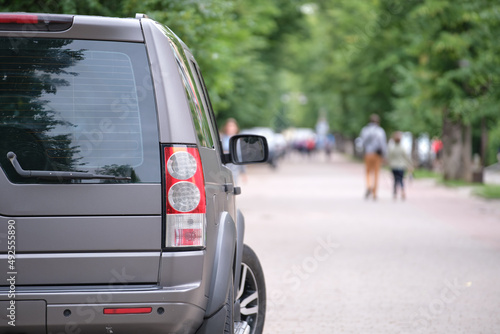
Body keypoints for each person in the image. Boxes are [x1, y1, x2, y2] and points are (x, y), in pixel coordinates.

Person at [360, 114, 387, 200]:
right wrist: (384, 155)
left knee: (368, 172)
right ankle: (375, 193)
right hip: (377, 154)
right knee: (376, 173)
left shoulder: (365, 130)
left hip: (368, 153)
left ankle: (369, 186)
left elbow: (362, 142)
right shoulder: (380, 131)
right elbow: (383, 144)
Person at [220, 118, 246, 185]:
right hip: (222, 168)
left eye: (232, 126)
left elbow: (241, 157)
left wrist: (243, 173)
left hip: (234, 169)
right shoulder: (221, 138)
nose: (230, 128)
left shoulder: (239, 141)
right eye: (229, 126)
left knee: (233, 187)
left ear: (236, 128)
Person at [388, 131, 413, 200]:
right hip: (401, 166)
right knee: (401, 179)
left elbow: (389, 157)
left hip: (394, 166)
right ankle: (402, 191)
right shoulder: (402, 148)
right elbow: (406, 157)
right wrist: (410, 164)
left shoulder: (392, 148)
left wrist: (389, 163)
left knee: (395, 180)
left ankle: (395, 193)